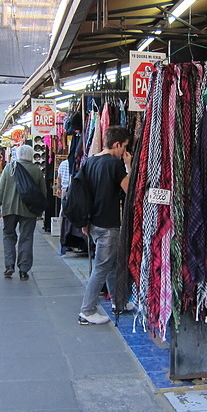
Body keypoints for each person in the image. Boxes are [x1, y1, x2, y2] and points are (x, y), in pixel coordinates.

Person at [77, 126, 132, 325]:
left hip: (94, 223)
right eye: (124, 147)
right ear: (117, 144)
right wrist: (128, 165)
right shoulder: (115, 164)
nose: (124, 151)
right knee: (102, 268)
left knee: (112, 265)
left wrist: (85, 221)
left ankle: (119, 302)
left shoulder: (90, 162)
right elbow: (130, 191)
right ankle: (87, 310)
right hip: (108, 225)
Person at [0, 144, 46, 280]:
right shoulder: (37, 170)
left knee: (8, 236)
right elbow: (43, 192)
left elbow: (0, 188)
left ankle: (9, 266)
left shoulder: (9, 168)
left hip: (9, 209)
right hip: (29, 211)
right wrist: (40, 211)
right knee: (26, 238)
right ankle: (23, 270)